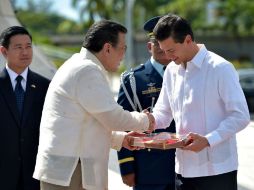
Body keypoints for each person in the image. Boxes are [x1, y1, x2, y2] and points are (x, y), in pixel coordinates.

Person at [33, 20, 155, 190]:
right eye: (123, 48)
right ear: (107, 48)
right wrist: (146, 120)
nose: (123, 55)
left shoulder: (78, 64)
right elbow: (112, 117)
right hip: (71, 173)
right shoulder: (87, 70)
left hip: (69, 171)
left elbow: (87, 123)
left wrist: (121, 139)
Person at [151, 14, 250, 190]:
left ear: (188, 40)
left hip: (217, 171)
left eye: (171, 50)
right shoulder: (171, 71)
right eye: (163, 50)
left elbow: (240, 115)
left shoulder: (220, 68)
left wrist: (208, 140)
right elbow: (163, 113)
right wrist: (146, 121)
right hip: (182, 170)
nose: (167, 56)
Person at [117, 16, 176, 190]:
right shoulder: (133, 79)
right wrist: (126, 166)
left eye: (166, 42)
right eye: (157, 43)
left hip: (185, 166)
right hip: (148, 168)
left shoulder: (187, 75)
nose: (162, 48)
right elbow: (123, 123)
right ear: (149, 46)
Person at [0, 26, 50, 190]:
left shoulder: (45, 86)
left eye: (28, 46)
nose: (25, 52)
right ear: (4, 51)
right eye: (18, 47)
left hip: (35, 175)